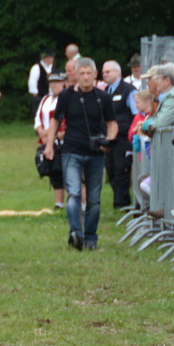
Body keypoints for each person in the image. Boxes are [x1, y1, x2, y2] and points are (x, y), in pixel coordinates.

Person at [43, 58, 117, 250]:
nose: (85, 77)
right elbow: (55, 121)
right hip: (72, 151)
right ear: (76, 75)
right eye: (81, 74)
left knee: (94, 198)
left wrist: (109, 140)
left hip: (96, 153)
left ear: (95, 75)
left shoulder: (103, 98)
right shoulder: (66, 96)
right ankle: (75, 232)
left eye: (88, 74)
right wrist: (49, 145)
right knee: (74, 193)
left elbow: (112, 123)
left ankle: (90, 236)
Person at [99, 60, 137, 210]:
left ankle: (122, 203)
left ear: (118, 72)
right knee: (111, 170)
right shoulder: (105, 92)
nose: (105, 75)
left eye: (108, 71)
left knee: (122, 170)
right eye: (103, 72)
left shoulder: (129, 90)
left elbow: (136, 114)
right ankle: (119, 201)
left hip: (123, 138)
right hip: (109, 139)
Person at [34, 71, 67, 209]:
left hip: (62, 140)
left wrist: (50, 133)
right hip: (48, 141)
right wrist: (42, 132)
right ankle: (58, 203)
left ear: (63, 83)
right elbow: (37, 119)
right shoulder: (46, 99)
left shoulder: (66, 98)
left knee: (68, 171)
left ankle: (80, 203)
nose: (54, 85)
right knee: (55, 171)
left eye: (57, 82)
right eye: (52, 82)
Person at [139, 63, 174, 138]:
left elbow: (160, 124)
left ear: (167, 81)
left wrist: (145, 126)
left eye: (157, 79)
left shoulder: (173, 96)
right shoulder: (170, 95)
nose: (155, 82)